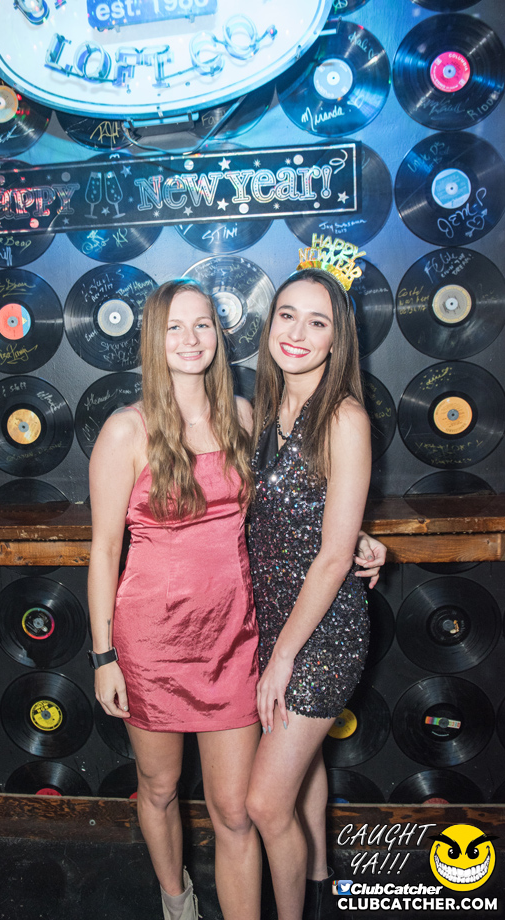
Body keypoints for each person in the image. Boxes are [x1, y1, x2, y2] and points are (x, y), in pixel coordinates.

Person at [88, 278, 382, 920]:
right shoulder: (124, 431)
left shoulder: (245, 418)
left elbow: (289, 503)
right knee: (160, 787)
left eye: (203, 325)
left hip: (235, 640)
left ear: (220, 336)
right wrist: (103, 655)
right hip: (151, 642)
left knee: (238, 810)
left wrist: (355, 537)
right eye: (174, 327)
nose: (190, 339)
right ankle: (178, 902)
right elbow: (104, 551)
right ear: (153, 339)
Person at [245, 257, 373, 920]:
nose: (297, 332)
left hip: (322, 635)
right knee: (302, 768)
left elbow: (329, 559)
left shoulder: (343, 417)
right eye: (287, 315)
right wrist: (362, 534)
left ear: (336, 338)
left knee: (266, 803)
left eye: (317, 322)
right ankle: (320, 881)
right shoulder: (265, 412)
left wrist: (283, 658)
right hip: (273, 622)